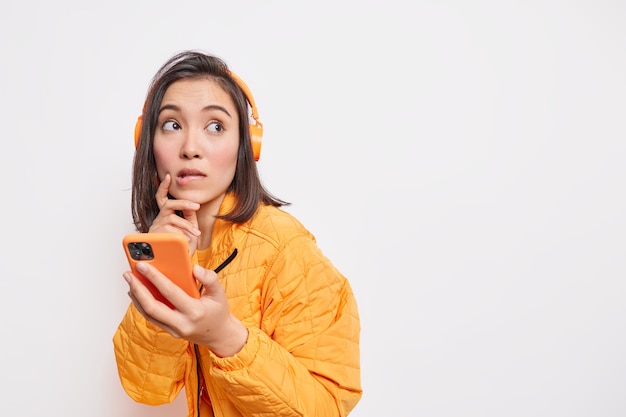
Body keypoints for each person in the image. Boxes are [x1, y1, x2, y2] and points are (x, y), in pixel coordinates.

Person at [112, 50, 362, 417]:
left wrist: (226, 336)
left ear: (248, 145)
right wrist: (163, 272)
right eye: (171, 125)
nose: (190, 148)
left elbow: (326, 408)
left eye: (215, 126)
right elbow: (148, 389)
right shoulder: (170, 246)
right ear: (147, 143)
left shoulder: (285, 246)